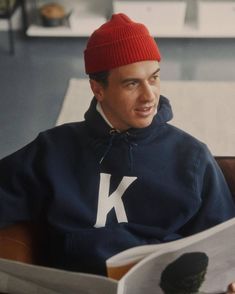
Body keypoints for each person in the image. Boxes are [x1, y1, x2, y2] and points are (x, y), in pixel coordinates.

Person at [0, 13, 235, 291]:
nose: (149, 96)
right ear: (98, 89)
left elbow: (223, 244)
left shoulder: (193, 157)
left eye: (154, 78)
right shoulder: (53, 150)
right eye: (132, 83)